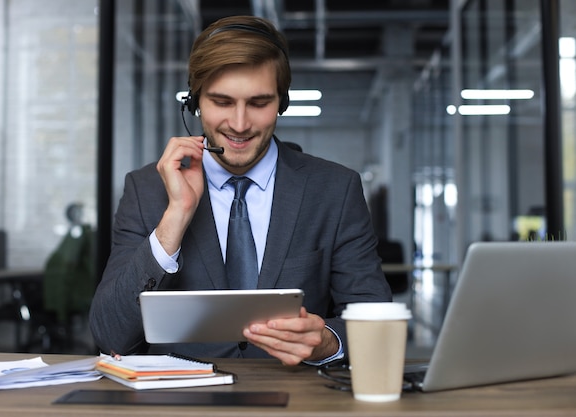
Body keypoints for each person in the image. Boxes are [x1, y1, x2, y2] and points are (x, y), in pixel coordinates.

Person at [89, 15, 392, 366]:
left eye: (259, 103)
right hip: (182, 402)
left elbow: (378, 322)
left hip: (296, 399)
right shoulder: (146, 190)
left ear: (282, 102)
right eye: (222, 102)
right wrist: (175, 217)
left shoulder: (334, 190)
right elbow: (109, 334)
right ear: (195, 102)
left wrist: (327, 341)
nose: (239, 124)